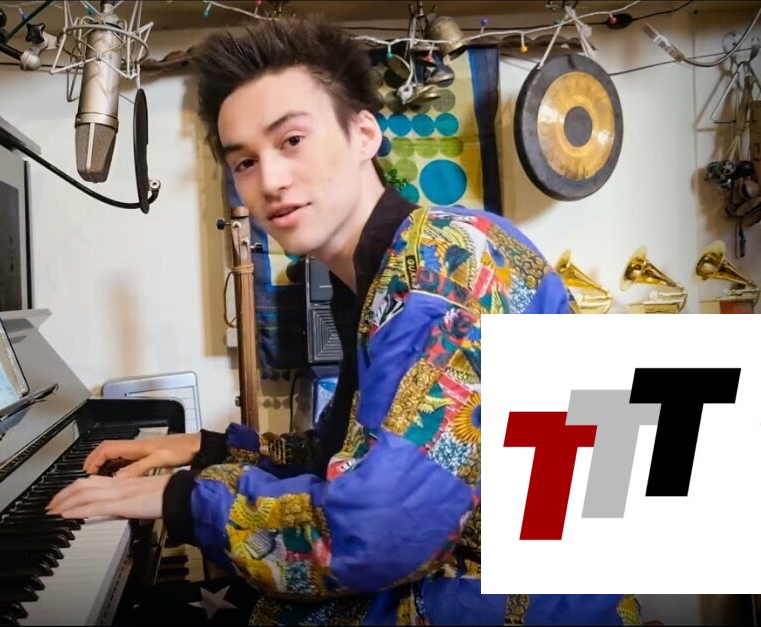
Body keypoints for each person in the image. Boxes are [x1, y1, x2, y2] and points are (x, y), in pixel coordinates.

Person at [47, 17, 642, 626]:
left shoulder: (446, 264)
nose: (270, 181)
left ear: (364, 134)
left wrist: (183, 502)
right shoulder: (377, 270)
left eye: (292, 141)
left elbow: (381, 531)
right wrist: (210, 450)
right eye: (245, 161)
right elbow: (343, 456)